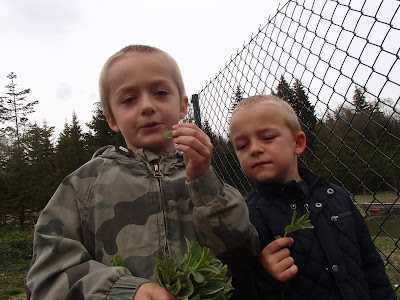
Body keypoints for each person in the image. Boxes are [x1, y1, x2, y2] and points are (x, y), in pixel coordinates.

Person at [25, 45, 259, 300]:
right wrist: (121, 291)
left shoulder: (204, 178)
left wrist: (205, 182)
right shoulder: (83, 185)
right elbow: (46, 277)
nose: (147, 106)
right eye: (129, 100)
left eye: (160, 93)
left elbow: (243, 257)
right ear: (112, 119)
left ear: (182, 106)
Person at [229, 94, 396, 299]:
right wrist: (265, 278)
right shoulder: (246, 218)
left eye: (268, 137)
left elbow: (372, 267)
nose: (254, 149)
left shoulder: (337, 197)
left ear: (298, 143)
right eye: (242, 146)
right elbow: (239, 289)